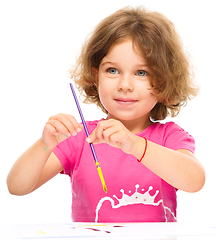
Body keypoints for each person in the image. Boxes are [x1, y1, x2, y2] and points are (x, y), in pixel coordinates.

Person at [7, 6, 205, 222]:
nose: (125, 85)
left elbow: (194, 181)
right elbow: (17, 187)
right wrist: (45, 144)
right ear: (96, 75)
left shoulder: (169, 137)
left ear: (164, 82)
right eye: (112, 70)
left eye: (141, 72)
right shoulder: (80, 138)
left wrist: (135, 145)